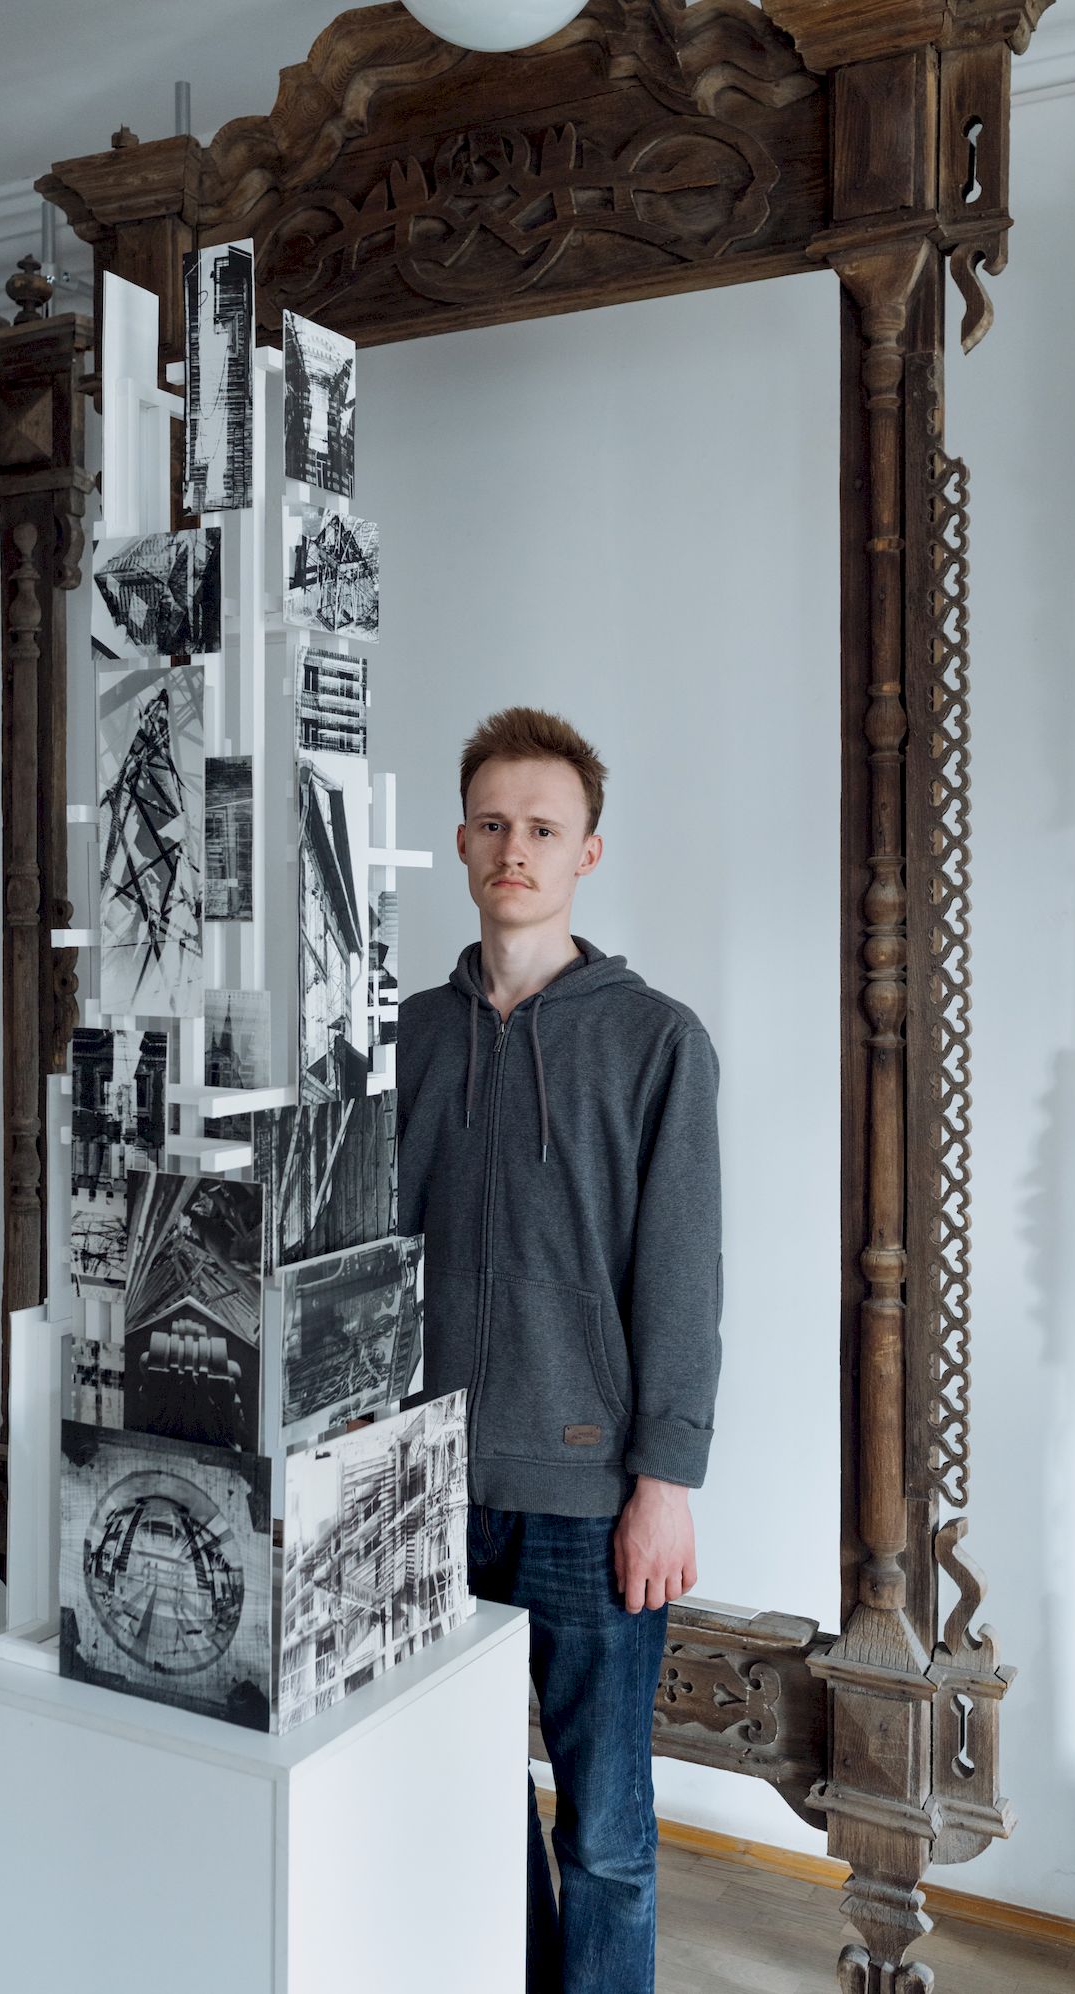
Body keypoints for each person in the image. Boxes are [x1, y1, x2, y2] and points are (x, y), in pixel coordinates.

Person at [397, 706, 723, 1994]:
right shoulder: (407, 1035)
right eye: (493, 824)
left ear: (588, 851)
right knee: (464, 1805)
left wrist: (665, 1484)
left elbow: (682, 1279)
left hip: (590, 1499)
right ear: (461, 842)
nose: (514, 849)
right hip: (422, 1489)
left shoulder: (658, 1041)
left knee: (605, 1835)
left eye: (543, 828)